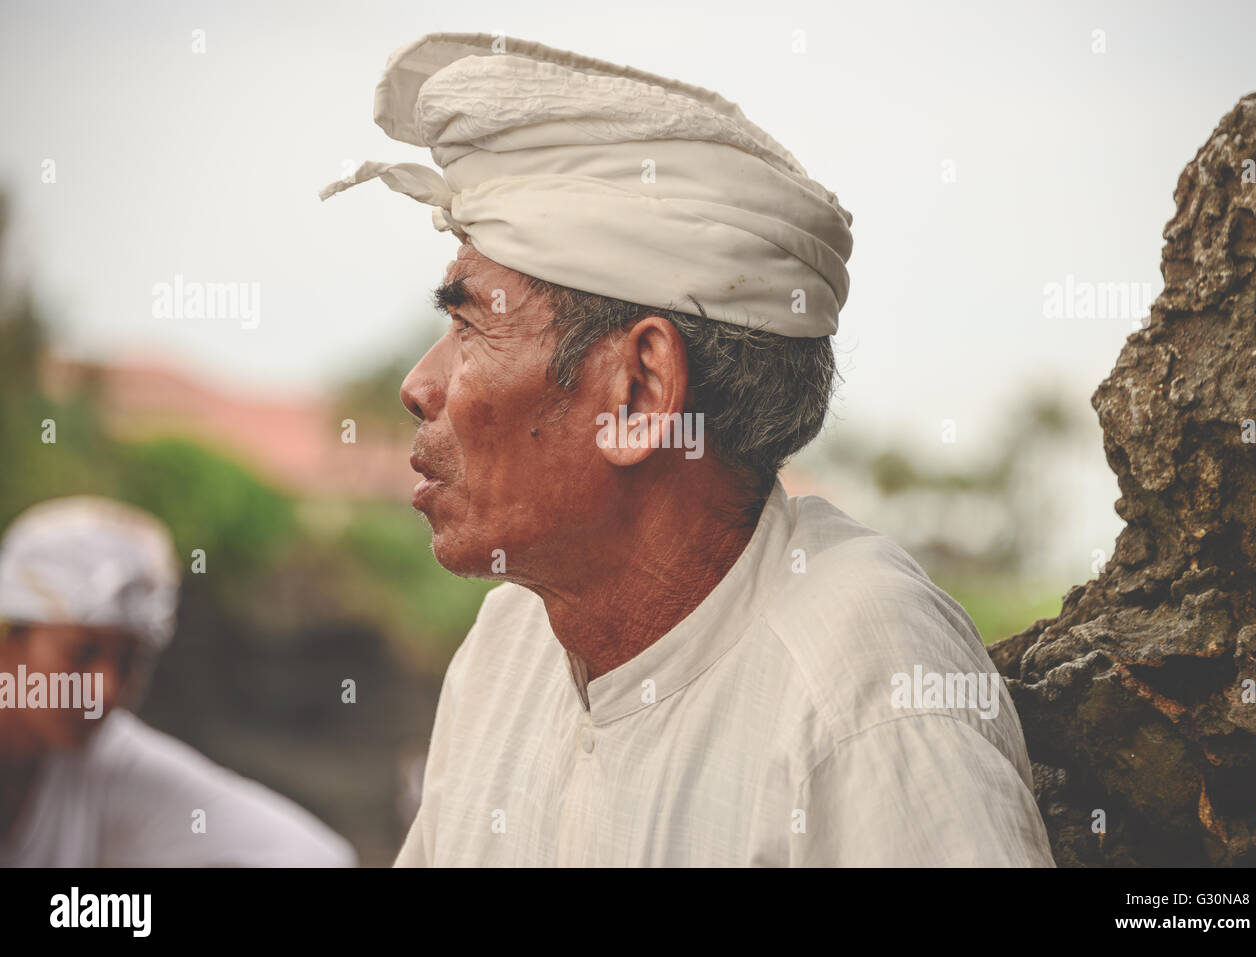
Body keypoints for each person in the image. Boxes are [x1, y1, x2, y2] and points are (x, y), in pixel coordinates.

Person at [321, 32, 1055, 866]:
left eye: (469, 324)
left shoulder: (867, 689)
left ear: (638, 392)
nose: (421, 384)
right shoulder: (508, 645)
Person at [0, 496, 356, 867]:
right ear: (9, 638)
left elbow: (314, 857)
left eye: (128, 662)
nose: (105, 690)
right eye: (80, 653)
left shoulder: (107, 762)